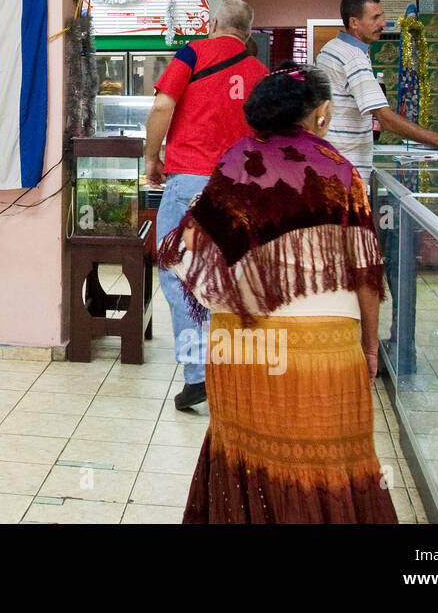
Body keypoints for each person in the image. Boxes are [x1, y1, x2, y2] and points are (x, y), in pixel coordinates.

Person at [156, 63, 397, 523]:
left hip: (242, 346)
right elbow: (366, 270)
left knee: (247, 455)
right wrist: (369, 346)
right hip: (325, 351)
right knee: (330, 464)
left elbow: (191, 246)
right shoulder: (342, 173)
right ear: (322, 114)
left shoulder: (233, 162)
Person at [145, 0, 268, 411]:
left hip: (192, 183)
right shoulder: (260, 72)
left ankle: (198, 374)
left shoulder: (193, 53)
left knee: (180, 276)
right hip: (240, 186)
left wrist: (151, 156)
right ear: (248, 34)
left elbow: (163, 105)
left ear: (213, 24)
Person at [316, 0, 438, 185]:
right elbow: (386, 120)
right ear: (354, 23)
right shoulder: (353, 57)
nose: (383, 23)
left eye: (382, 15)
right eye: (375, 18)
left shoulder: (330, 48)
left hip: (330, 162)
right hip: (345, 170)